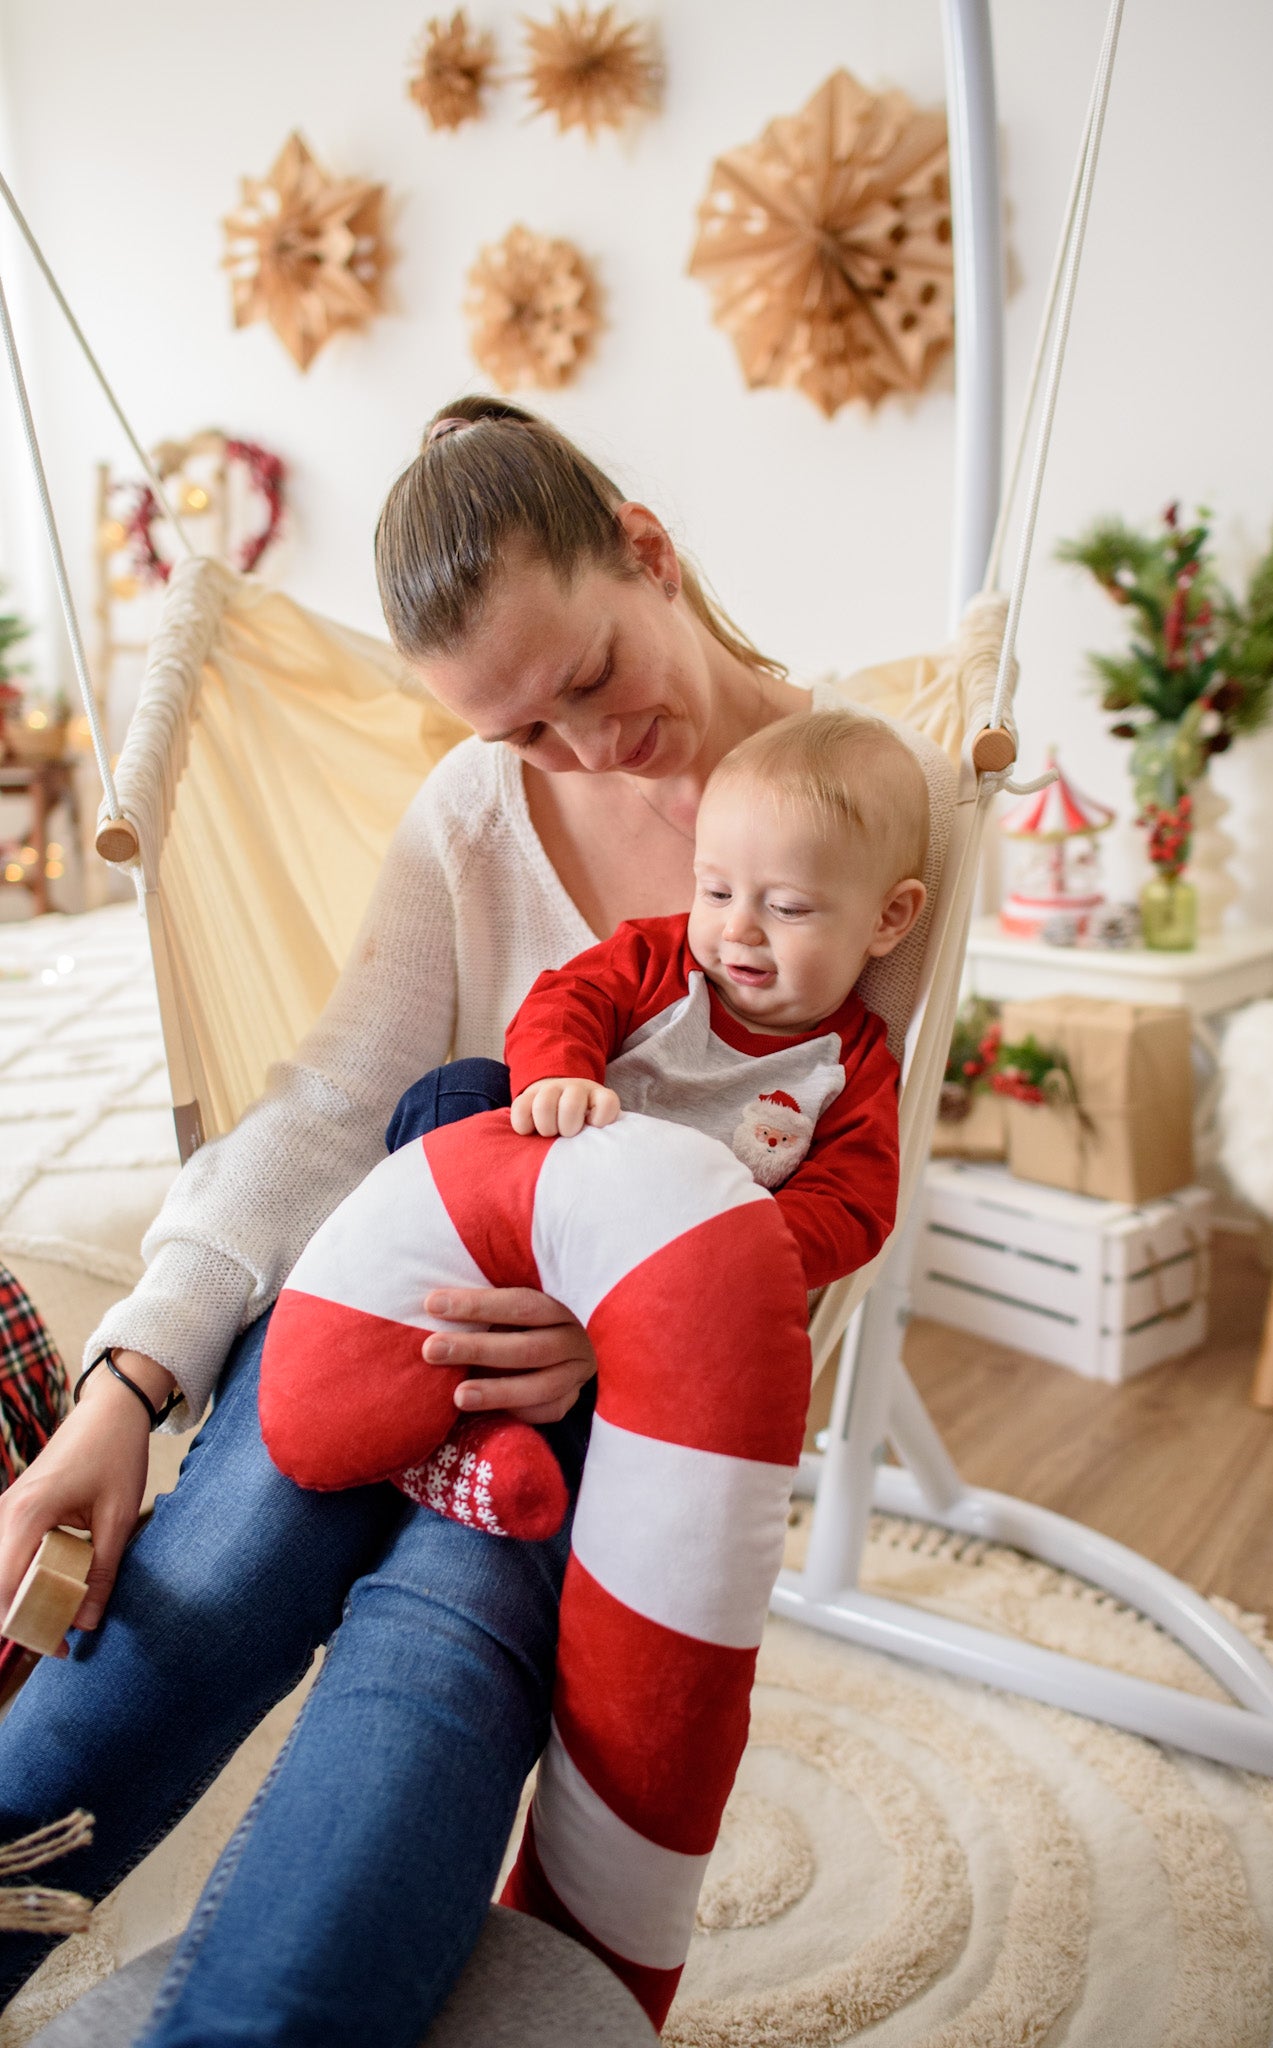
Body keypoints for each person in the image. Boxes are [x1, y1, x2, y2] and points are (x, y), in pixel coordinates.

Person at [0, 397, 926, 2047]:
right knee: (189, 1600)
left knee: (428, 1679)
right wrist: (125, 1382)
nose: (578, 749)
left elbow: (852, 1166)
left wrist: (633, 1317)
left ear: (645, 549)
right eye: (522, 731)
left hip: (608, 1416)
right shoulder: (471, 813)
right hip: (384, 1306)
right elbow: (327, 1110)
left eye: (583, 679)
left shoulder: (868, 815)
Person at [259, 707, 929, 1544]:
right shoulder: (660, 959)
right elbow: (564, 1000)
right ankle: (403, 1352)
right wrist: (561, 1076)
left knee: (687, 1379)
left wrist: (727, 1243)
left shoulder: (847, 1067)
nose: (738, 929)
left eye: (788, 909)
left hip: (645, 1288)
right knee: (461, 1093)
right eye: (715, 891)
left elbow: (856, 1205)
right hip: (532, 1213)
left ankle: (464, 1451)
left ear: (890, 920)